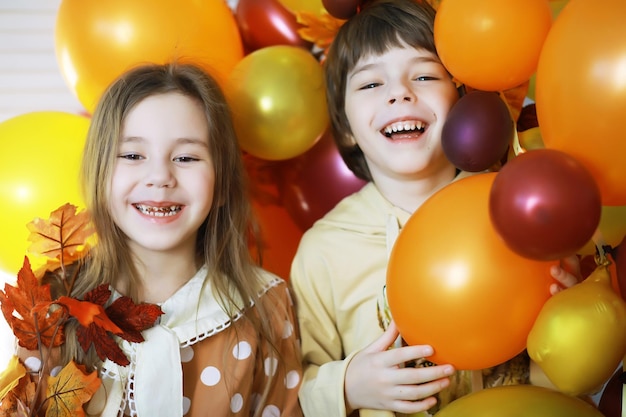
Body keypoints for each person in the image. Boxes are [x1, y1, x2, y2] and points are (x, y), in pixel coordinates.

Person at [289, 1, 581, 416]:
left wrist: (567, 319)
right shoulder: (323, 251)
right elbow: (293, 384)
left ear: (461, 99)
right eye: (371, 85)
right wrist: (348, 386)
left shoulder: (518, 213)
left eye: (424, 75)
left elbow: (563, 380)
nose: (399, 93)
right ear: (346, 125)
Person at [14, 62, 303, 416]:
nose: (160, 177)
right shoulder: (51, 301)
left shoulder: (265, 304)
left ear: (223, 183)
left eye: (186, 157)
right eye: (133, 155)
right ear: (99, 174)